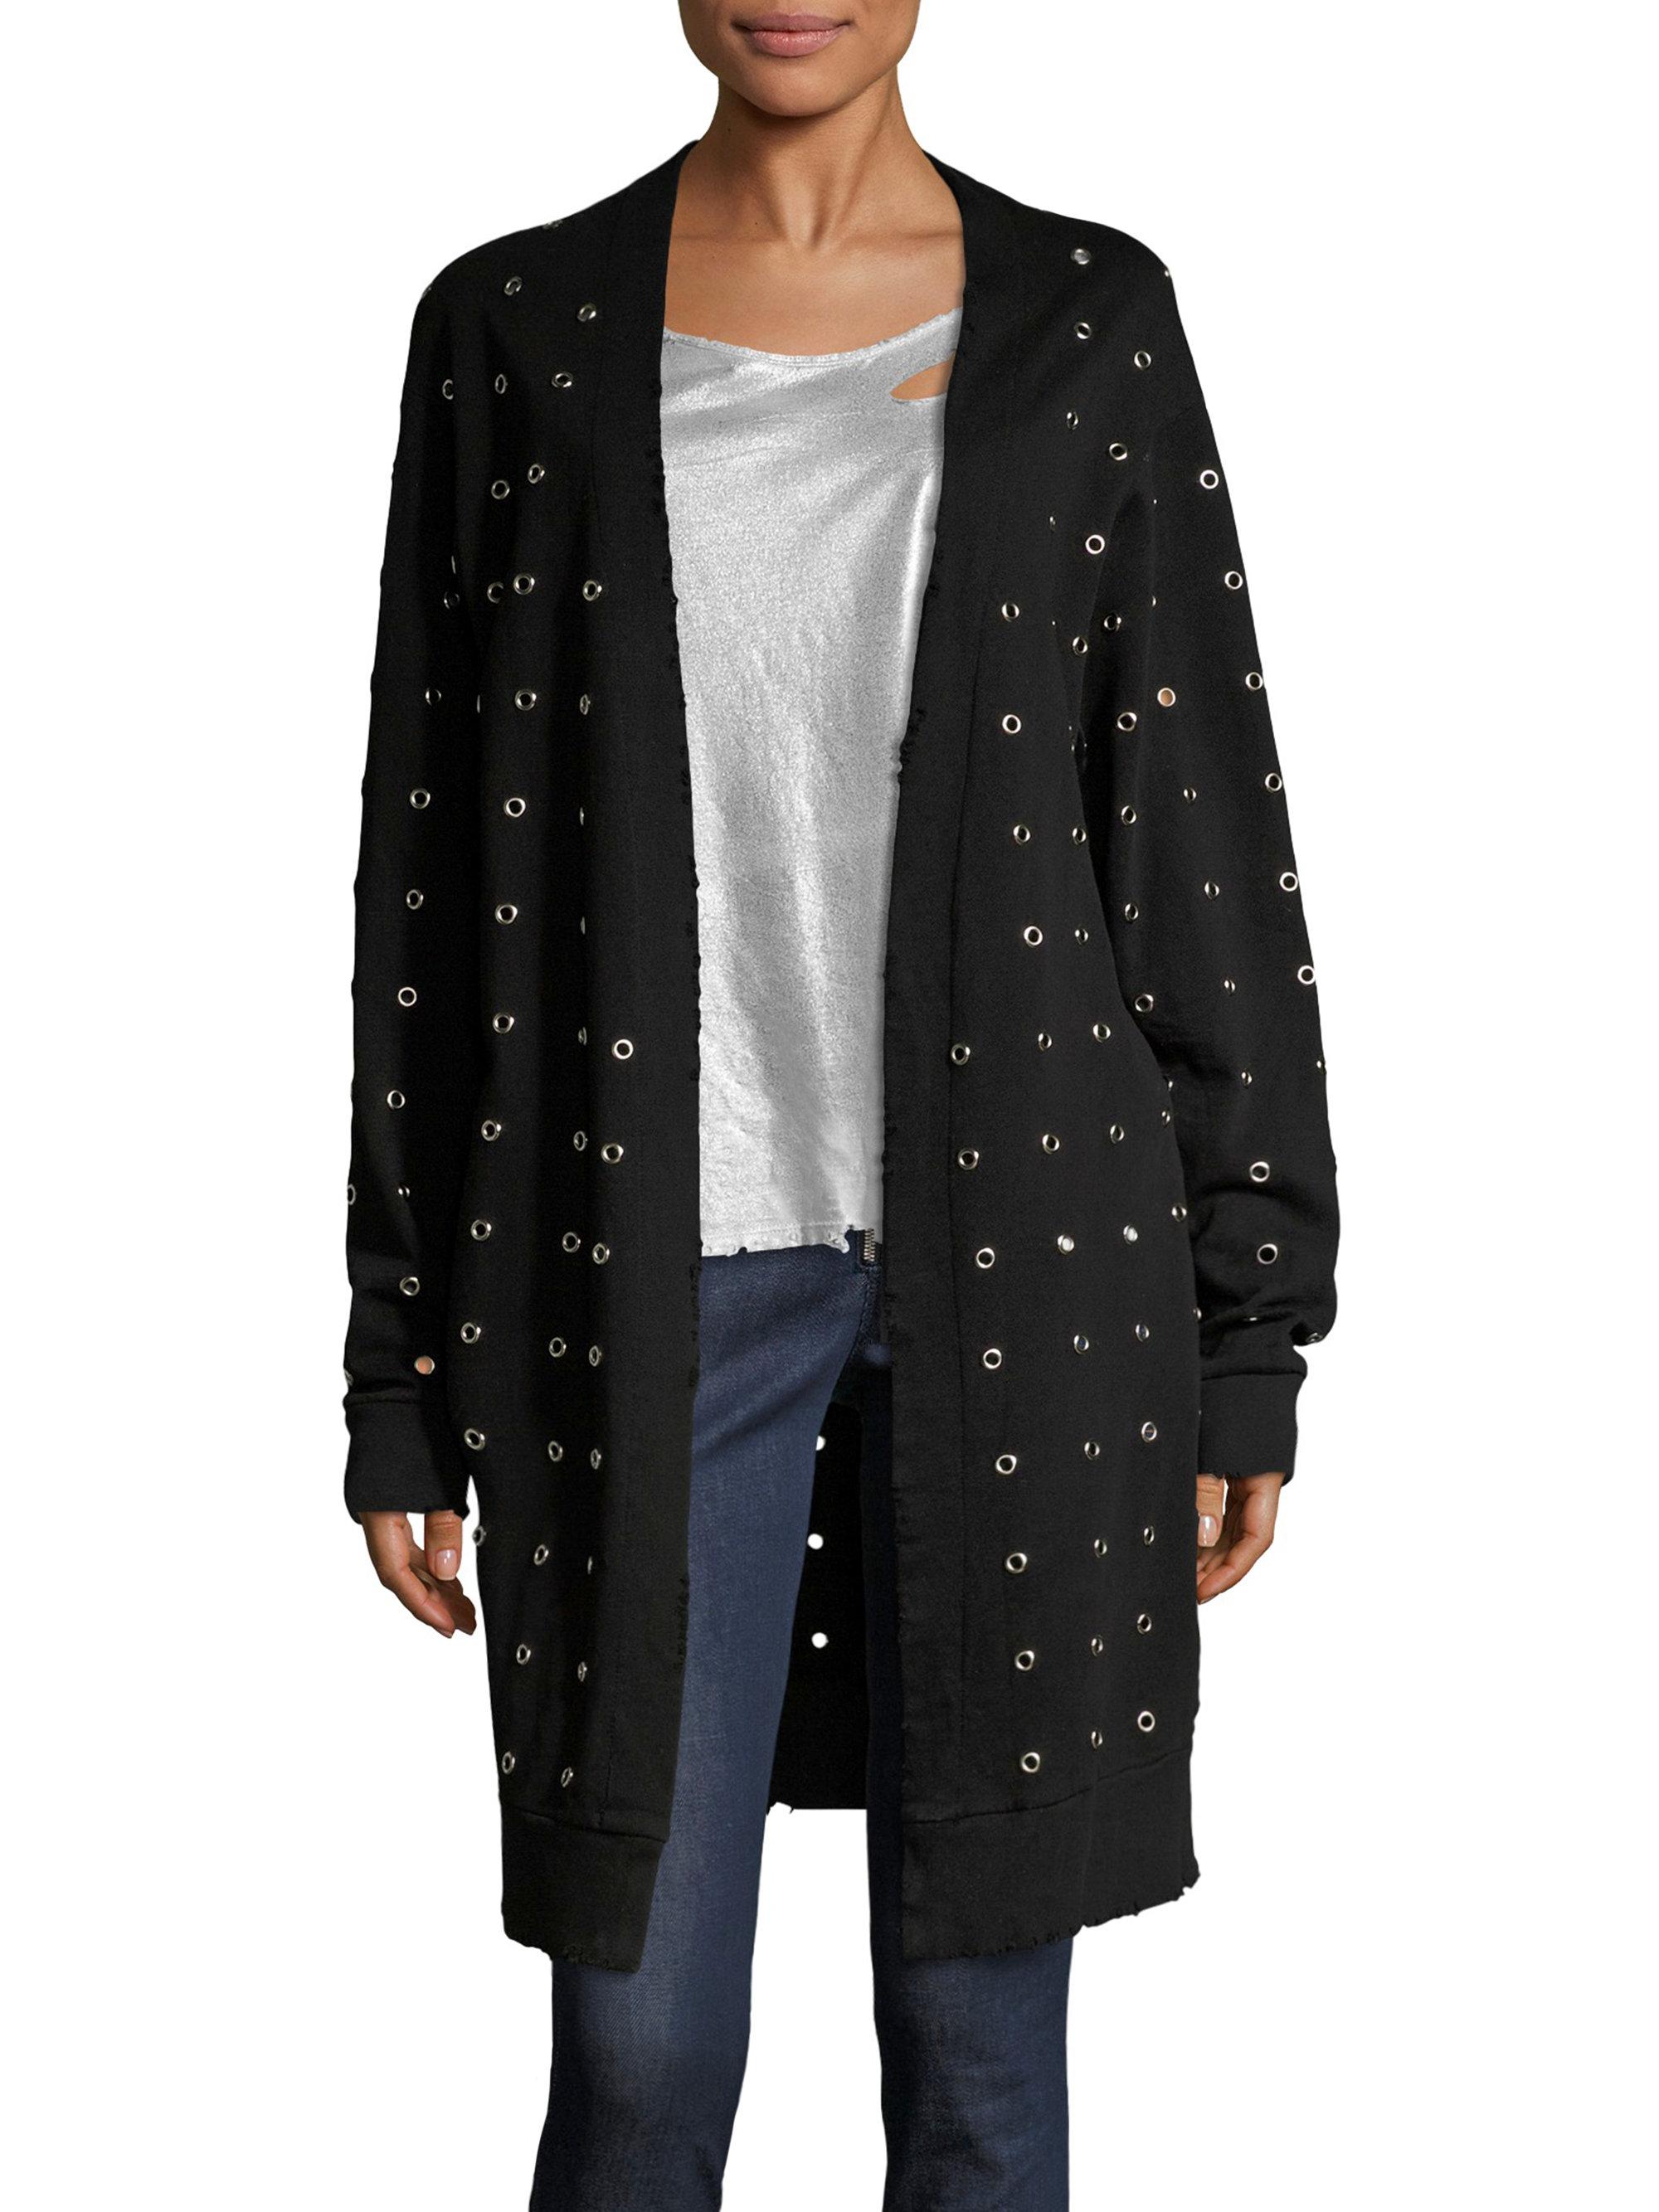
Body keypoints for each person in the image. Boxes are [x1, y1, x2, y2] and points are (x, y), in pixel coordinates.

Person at [343, 4, 1340, 2205]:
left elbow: (1195, 831)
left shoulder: (1091, 322)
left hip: (1035, 1279)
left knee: (980, 2067)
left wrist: (1249, 1322)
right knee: (638, 2055)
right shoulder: (510, 330)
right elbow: (430, 885)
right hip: (641, 1279)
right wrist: (397, 1363)